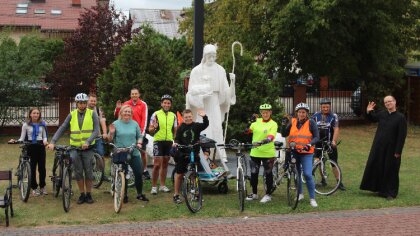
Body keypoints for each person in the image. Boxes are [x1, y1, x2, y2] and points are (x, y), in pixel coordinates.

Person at [186, 44, 236, 161]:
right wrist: (200, 96)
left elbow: (226, 92)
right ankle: (200, 152)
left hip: (214, 101)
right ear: (205, 56)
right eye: (209, 56)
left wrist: (232, 82)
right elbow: (191, 91)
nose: (212, 59)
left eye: (214, 56)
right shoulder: (197, 70)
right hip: (201, 103)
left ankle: (220, 152)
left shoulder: (220, 70)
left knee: (217, 126)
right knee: (202, 127)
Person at [47, 93, 99, 204]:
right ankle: (82, 194)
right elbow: (62, 128)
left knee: (89, 172)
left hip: (88, 148)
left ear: (86, 103)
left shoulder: (92, 114)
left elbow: (96, 130)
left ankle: (89, 194)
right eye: (80, 103)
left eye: (84, 103)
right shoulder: (72, 114)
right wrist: (53, 142)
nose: (82, 105)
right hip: (75, 148)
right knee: (78, 172)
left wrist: (88, 141)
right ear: (76, 103)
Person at [360, 95, 407, 200]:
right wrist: (368, 111)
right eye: (386, 102)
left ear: (395, 102)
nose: (388, 103)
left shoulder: (400, 117)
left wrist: (398, 151)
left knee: (391, 170)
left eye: (390, 101)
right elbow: (372, 118)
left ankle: (391, 193)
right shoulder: (382, 114)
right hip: (379, 147)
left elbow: (401, 136)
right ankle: (380, 190)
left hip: (392, 149)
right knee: (379, 167)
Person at [281, 102, 319, 207]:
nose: (301, 114)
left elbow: (317, 137)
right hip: (294, 152)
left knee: (307, 174)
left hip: (307, 152)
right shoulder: (292, 122)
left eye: (303, 112)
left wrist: (309, 144)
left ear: (307, 113)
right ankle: (300, 193)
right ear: (296, 113)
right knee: (296, 173)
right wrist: (283, 125)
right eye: (299, 112)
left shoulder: (311, 122)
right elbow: (284, 134)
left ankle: (312, 198)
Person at [108, 105, 149, 202]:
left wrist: (139, 143)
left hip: (133, 151)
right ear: (121, 112)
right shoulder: (116, 123)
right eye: (125, 111)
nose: (127, 113)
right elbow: (110, 139)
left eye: (129, 112)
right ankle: (124, 195)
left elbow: (139, 136)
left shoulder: (134, 124)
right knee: (123, 173)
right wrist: (111, 132)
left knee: (139, 173)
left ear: (131, 113)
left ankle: (139, 194)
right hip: (120, 152)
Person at [9, 108, 48, 196]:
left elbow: (45, 136)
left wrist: (45, 141)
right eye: (34, 113)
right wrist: (15, 141)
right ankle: (34, 187)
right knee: (32, 168)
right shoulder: (26, 125)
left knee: (42, 168)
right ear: (30, 114)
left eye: (37, 113)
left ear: (39, 115)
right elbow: (22, 138)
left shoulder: (43, 124)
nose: (36, 115)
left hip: (41, 146)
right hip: (30, 146)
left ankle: (42, 186)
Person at [172, 109, 208, 204]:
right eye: (186, 117)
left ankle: (196, 193)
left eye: (190, 116)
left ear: (192, 116)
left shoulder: (196, 126)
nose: (188, 118)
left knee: (194, 174)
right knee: (179, 174)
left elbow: (205, 124)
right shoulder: (181, 127)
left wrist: (204, 116)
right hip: (183, 153)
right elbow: (177, 139)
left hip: (194, 152)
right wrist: (176, 143)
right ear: (183, 118)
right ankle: (176, 194)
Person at [244, 104, 278, 203]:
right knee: (254, 173)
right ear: (261, 113)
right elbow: (246, 132)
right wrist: (249, 122)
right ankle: (254, 194)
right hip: (255, 152)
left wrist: (264, 141)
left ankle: (268, 195)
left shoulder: (273, 124)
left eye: (267, 112)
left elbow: (271, 136)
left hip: (268, 153)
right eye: (263, 112)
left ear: (270, 112)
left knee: (268, 173)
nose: (265, 114)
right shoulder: (256, 122)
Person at [114, 88, 150, 180]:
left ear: (139, 95)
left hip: (138, 132)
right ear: (130, 95)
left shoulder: (143, 104)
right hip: (126, 131)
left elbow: (144, 119)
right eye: (132, 94)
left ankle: (144, 170)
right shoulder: (126, 104)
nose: (134, 95)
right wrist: (118, 109)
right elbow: (118, 116)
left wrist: (141, 134)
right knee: (126, 151)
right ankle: (127, 171)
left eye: (136, 94)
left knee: (142, 152)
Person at [312, 98, 346, 190]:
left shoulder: (333, 116)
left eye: (327, 107)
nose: (325, 109)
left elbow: (336, 128)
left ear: (330, 106)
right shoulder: (315, 115)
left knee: (334, 162)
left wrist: (334, 141)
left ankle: (339, 182)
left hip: (330, 143)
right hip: (318, 142)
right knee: (318, 161)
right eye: (324, 107)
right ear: (320, 107)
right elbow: (310, 128)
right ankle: (323, 180)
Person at [148, 95, 177, 195]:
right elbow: (150, 129)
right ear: (161, 104)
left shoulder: (173, 115)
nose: (166, 104)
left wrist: (174, 140)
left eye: (168, 103)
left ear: (170, 105)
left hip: (168, 142)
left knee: (165, 164)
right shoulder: (155, 114)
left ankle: (162, 185)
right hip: (158, 141)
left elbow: (175, 130)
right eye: (164, 102)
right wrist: (154, 127)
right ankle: (154, 187)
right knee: (156, 164)